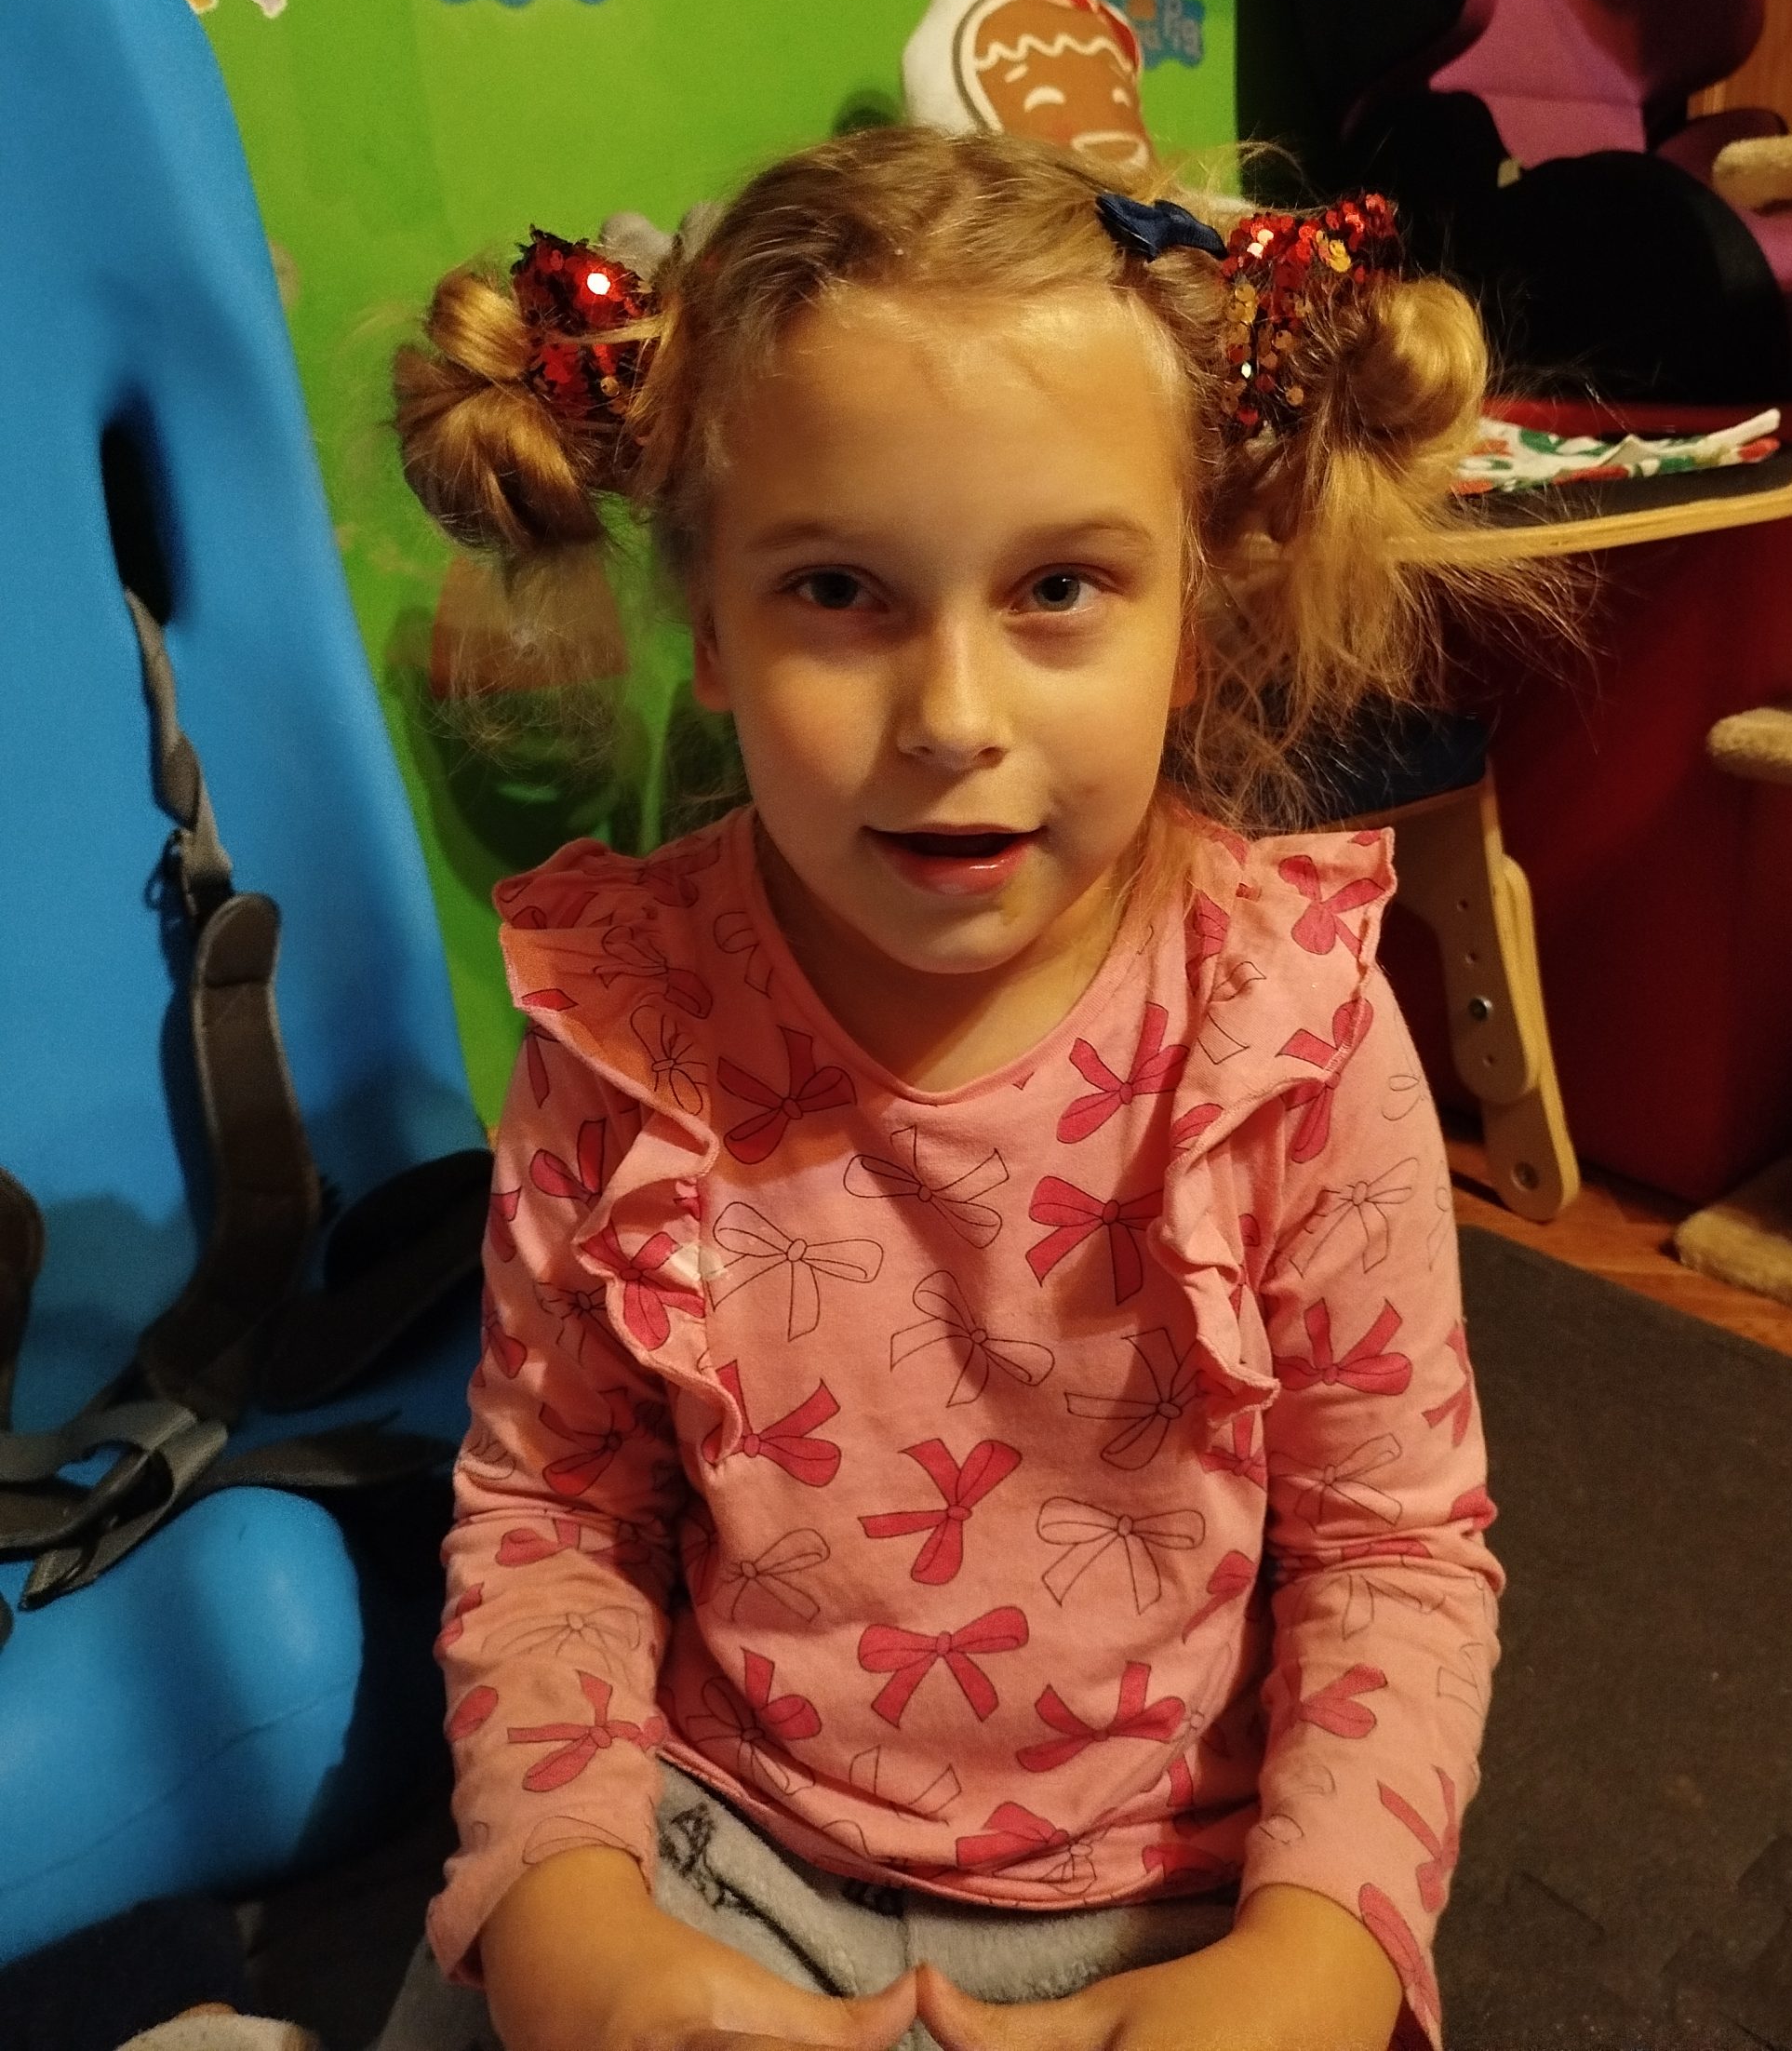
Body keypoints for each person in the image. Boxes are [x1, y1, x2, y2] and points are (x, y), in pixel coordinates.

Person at [377, 125, 1512, 2051]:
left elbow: (1392, 1547)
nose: (955, 719)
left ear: (1192, 617)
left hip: (1182, 1886)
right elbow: (554, 1514)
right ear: (709, 625)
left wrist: (1312, 1958)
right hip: (717, 1843)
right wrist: (574, 1920)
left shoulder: (1291, 1026)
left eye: (1060, 585)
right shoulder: (626, 1018)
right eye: (838, 589)